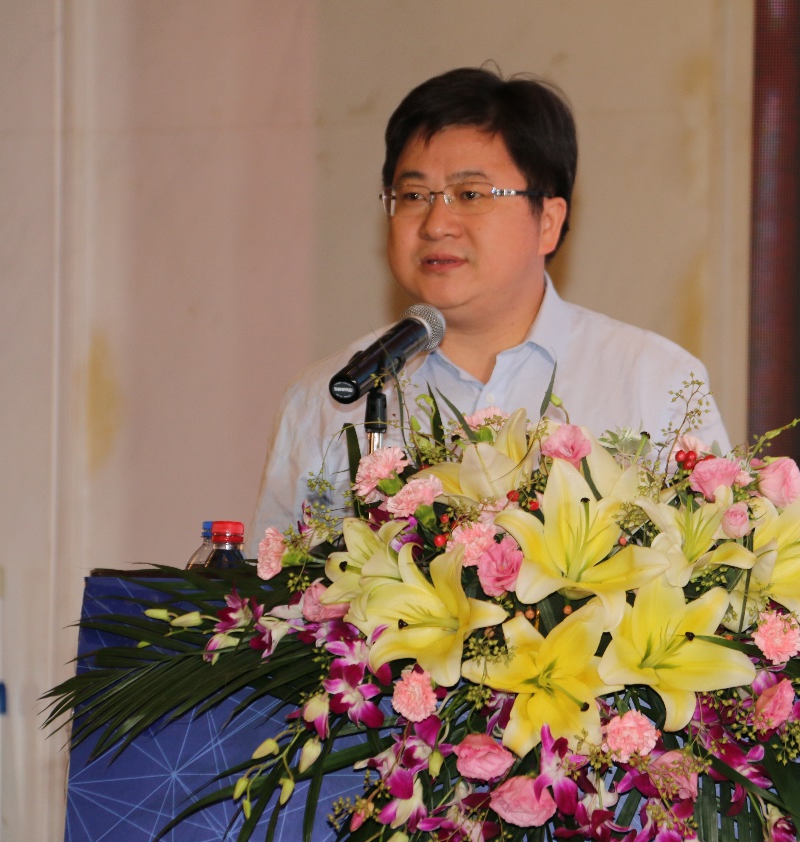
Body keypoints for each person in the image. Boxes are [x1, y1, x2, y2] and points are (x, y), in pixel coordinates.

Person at [251, 67, 729, 543]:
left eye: (470, 194)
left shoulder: (653, 383)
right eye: (413, 195)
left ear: (548, 221)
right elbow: (272, 581)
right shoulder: (330, 399)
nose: (436, 224)